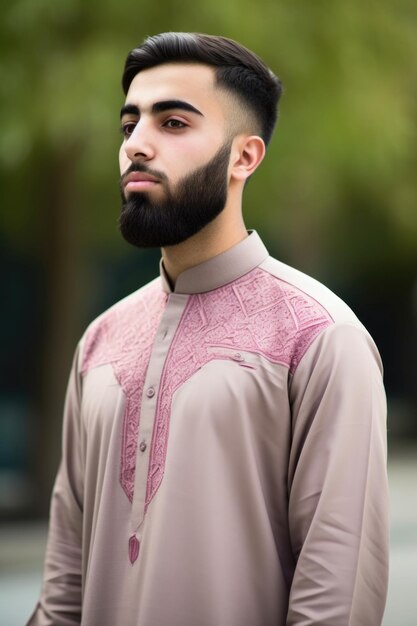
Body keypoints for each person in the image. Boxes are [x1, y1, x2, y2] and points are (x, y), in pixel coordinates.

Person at [28, 32, 389, 626]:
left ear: (244, 157)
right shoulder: (100, 341)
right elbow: (64, 580)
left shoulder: (320, 339)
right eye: (128, 126)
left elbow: (338, 598)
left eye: (172, 124)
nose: (136, 146)